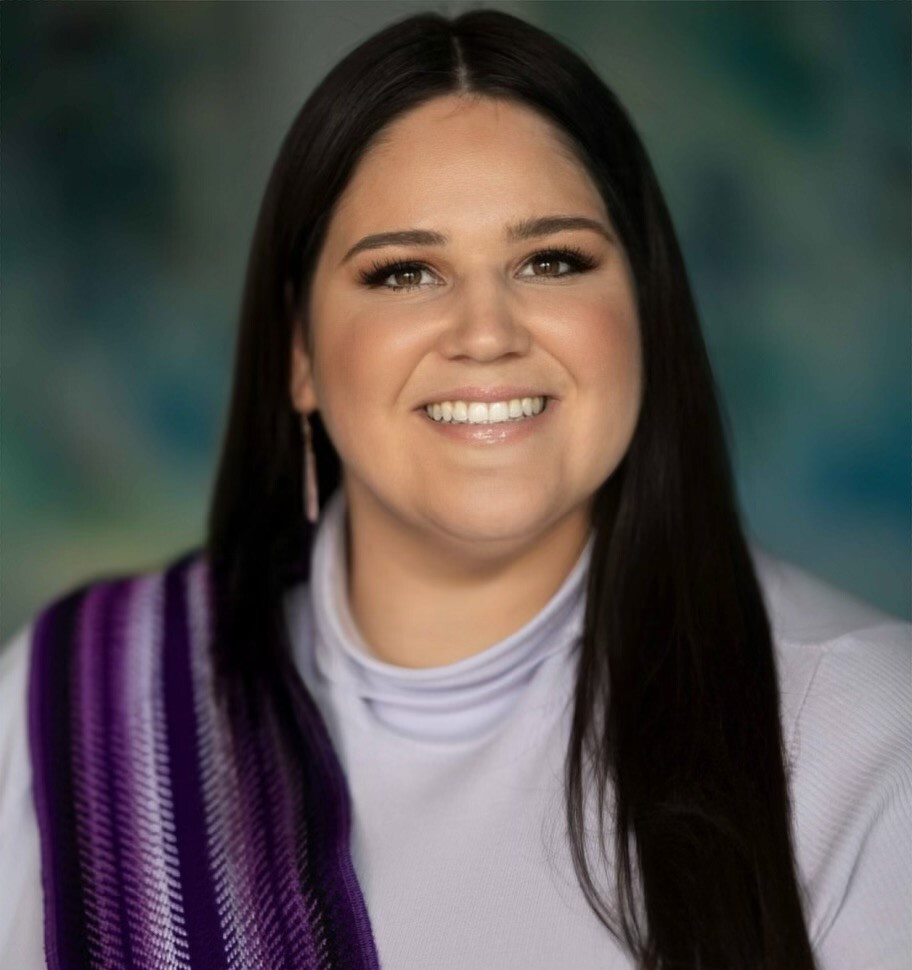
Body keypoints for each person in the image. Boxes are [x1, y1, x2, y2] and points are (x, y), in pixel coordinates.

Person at [1, 9, 909, 970]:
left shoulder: (868, 737)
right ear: (299, 354)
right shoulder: (70, 705)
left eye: (551, 262)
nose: (486, 333)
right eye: (404, 273)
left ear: (647, 310)